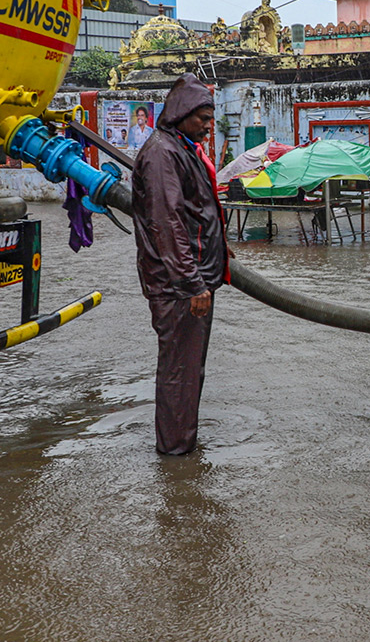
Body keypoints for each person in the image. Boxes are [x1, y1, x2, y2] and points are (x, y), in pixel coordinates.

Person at [131, 74, 228, 455]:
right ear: (182, 114)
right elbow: (167, 222)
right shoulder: (162, 153)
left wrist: (219, 250)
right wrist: (192, 283)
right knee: (179, 375)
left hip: (194, 279)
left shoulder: (182, 148)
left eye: (210, 118)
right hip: (179, 288)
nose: (208, 125)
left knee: (189, 373)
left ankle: (183, 445)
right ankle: (176, 458)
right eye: (202, 117)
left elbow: (194, 212)